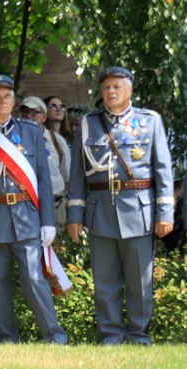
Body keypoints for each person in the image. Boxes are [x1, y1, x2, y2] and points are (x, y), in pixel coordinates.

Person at [67, 67, 174, 345]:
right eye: (106, 88)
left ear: (130, 91)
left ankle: (139, 336)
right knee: (105, 282)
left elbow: (163, 171)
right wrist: (74, 215)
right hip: (100, 210)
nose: (110, 92)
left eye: (116, 87)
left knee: (140, 282)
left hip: (139, 211)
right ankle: (110, 336)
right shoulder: (89, 123)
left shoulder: (149, 122)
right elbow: (78, 175)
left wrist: (165, 213)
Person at [0, 75, 68, 344]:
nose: (3, 101)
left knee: (35, 281)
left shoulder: (31, 132)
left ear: (14, 101)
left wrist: (47, 221)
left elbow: (44, 181)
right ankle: (6, 339)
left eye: (7, 96)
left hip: (26, 218)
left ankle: (54, 337)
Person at [21, 96, 70, 233]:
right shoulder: (13, 142)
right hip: (25, 209)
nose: (29, 116)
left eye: (35, 112)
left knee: (59, 251)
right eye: (25, 113)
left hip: (55, 208)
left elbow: (67, 176)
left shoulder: (56, 141)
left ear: (44, 117)